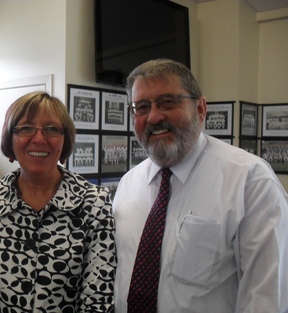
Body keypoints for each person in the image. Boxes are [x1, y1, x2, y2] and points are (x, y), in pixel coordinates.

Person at [113, 58, 288, 313]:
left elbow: (267, 300)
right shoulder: (128, 185)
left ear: (201, 109)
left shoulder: (250, 181)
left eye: (167, 102)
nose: (153, 116)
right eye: (141, 107)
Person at [0, 91, 116, 312]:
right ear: (10, 139)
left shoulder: (94, 204)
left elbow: (98, 300)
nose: (39, 139)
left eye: (51, 129)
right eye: (26, 128)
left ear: (64, 139)